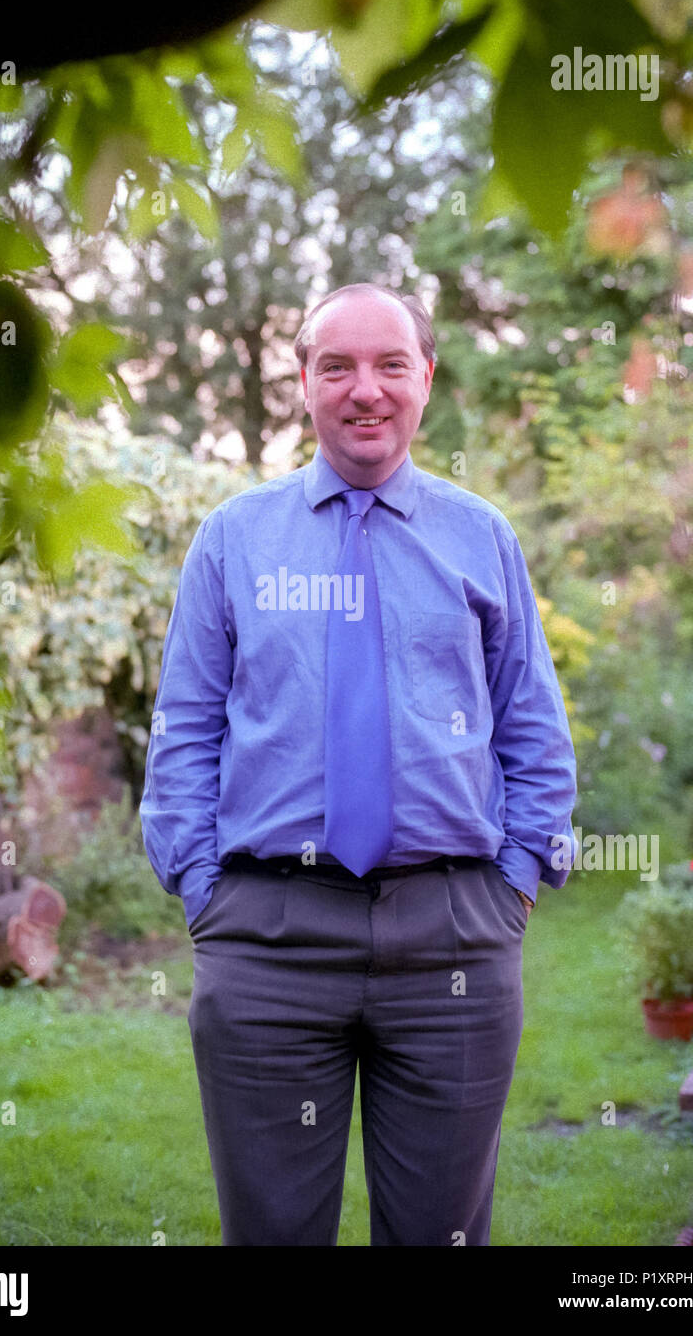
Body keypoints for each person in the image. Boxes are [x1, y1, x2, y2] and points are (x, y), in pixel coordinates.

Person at [140, 282, 578, 1246]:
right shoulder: (235, 540)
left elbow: (533, 728)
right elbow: (185, 729)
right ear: (303, 383)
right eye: (336, 365)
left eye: (389, 364)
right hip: (265, 941)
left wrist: (513, 888)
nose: (364, 389)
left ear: (426, 378)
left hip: (454, 939)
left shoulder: (481, 538)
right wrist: (205, 893)